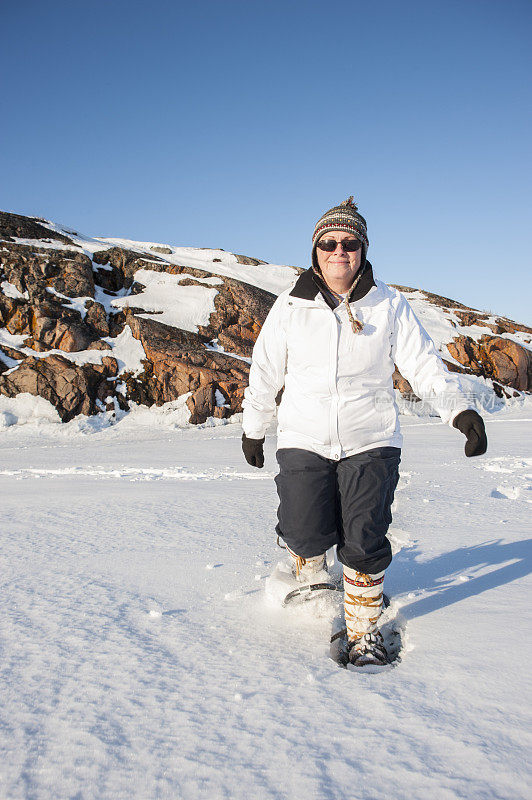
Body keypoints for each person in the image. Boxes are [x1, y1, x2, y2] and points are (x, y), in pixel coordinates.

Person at [241, 197, 487, 666]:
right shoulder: (290, 307)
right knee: (303, 527)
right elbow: (265, 371)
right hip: (303, 437)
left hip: (370, 437)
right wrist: (255, 429)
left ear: (363, 249)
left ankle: (363, 630)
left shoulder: (390, 305)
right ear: (315, 251)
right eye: (329, 243)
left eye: (349, 243)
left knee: (364, 536)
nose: (339, 251)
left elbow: (424, 367)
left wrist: (460, 413)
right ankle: (310, 566)